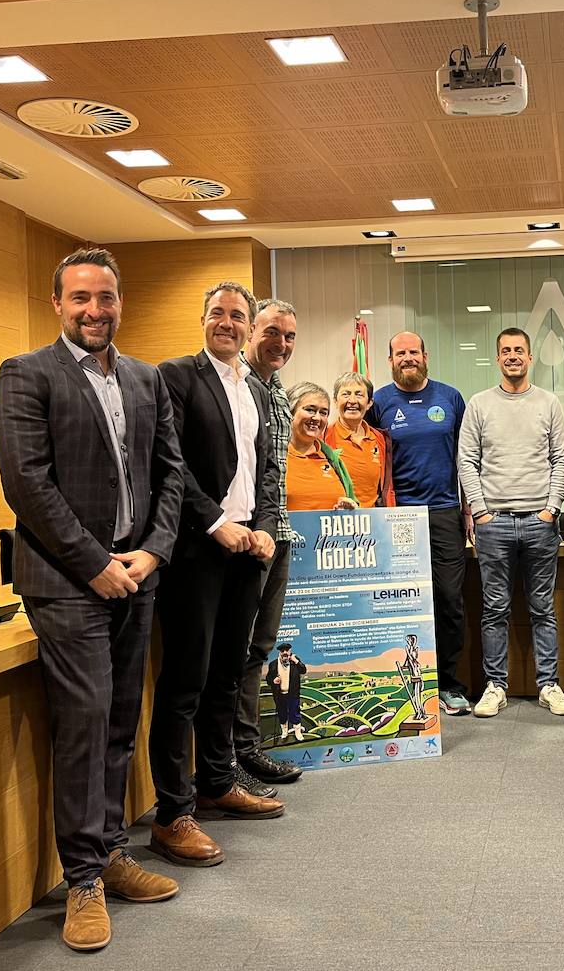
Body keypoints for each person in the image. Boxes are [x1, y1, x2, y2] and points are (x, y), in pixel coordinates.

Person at [0, 247, 184, 952]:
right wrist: (94, 562)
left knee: (118, 721)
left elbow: (171, 472)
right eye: (80, 298)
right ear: (58, 304)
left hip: (136, 575)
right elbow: (28, 485)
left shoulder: (144, 378)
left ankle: (108, 851)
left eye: (105, 297)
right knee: (83, 725)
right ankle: (82, 881)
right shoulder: (25, 374)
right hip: (68, 584)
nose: (94, 310)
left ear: (120, 302)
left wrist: (154, 550)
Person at [147, 282, 285, 871]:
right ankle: (172, 813)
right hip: (198, 550)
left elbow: (267, 466)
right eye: (217, 314)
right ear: (202, 320)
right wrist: (215, 523)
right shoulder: (175, 376)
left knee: (229, 674)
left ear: (248, 327)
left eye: (236, 316)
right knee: (186, 682)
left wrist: (268, 526)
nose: (226, 324)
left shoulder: (253, 387)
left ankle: (217, 782)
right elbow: (167, 464)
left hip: (248, 548)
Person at [458, 327, 564, 718]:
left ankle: (548, 686)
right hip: (495, 525)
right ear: (498, 358)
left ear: (529, 357)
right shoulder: (479, 404)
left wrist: (551, 509)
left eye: (519, 350)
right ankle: (495, 686)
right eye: (505, 350)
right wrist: (481, 510)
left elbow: (562, 459)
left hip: (540, 523)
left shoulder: (549, 403)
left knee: (543, 609)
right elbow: (467, 462)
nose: (512, 356)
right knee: (494, 609)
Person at [371, 332, 471, 714]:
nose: (407, 358)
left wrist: (468, 508)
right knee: (402, 605)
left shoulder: (450, 398)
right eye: (400, 353)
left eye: (414, 352)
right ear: (390, 359)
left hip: (444, 512)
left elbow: (467, 457)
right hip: (397, 517)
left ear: (425, 356)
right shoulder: (378, 402)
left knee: (449, 601)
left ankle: (449, 685)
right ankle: (406, 689)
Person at [234, 298, 304, 790]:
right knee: (237, 651)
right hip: (244, 540)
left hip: (275, 533)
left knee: (259, 647)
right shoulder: (233, 384)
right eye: (272, 332)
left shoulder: (276, 389)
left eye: (290, 336)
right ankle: (229, 759)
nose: (281, 343)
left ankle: (246, 747)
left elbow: (273, 474)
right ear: (251, 329)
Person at [286, 381, 358, 511]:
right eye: (310, 410)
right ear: (290, 412)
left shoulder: (333, 460)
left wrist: (350, 507)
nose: (317, 418)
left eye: (324, 413)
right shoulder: (273, 457)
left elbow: (353, 503)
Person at [325, 371, 393, 507]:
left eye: (359, 394)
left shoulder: (380, 439)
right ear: (335, 401)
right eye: (346, 394)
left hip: (374, 520)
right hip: (338, 519)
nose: (352, 401)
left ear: (369, 403)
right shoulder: (323, 437)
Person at [268, 643, 308, 741]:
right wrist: (273, 681)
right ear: (279, 653)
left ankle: (297, 732)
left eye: (287, 650)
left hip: (292, 694)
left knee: (295, 713)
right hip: (279, 695)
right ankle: (284, 732)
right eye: (282, 651)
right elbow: (268, 678)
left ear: (290, 651)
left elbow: (303, 670)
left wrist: (296, 661)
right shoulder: (273, 664)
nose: (285, 652)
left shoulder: (295, 662)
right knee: (282, 714)